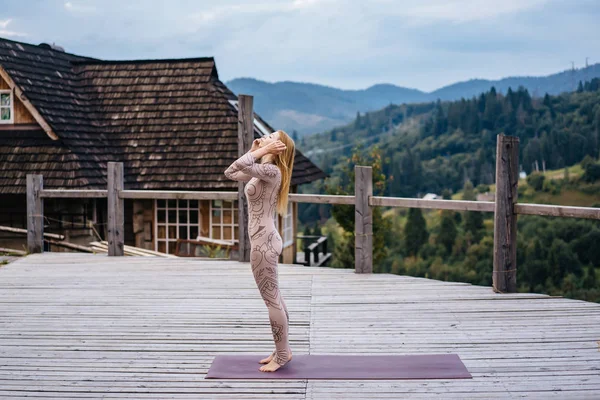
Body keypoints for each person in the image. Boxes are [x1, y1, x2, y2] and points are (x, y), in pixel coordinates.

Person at [224, 129, 296, 372]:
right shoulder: (263, 172)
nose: (264, 137)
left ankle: (283, 354)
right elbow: (234, 173)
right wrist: (256, 151)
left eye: (270, 137)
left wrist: (260, 151)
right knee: (275, 297)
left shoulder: (271, 171)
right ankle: (282, 349)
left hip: (263, 243)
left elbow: (232, 169)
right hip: (263, 240)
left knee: (271, 300)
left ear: (278, 148)